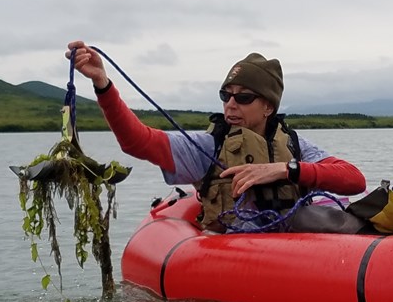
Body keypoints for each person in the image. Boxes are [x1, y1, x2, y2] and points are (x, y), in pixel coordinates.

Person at [66, 41, 367, 232]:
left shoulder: (294, 145)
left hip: (292, 247)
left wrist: (283, 169)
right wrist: (103, 84)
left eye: (244, 97)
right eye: (226, 95)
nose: (231, 104)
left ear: (268, 107)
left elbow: (354, 180)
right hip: (232, 252)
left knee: (321, 217)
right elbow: (137, 141)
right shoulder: (207, 146)